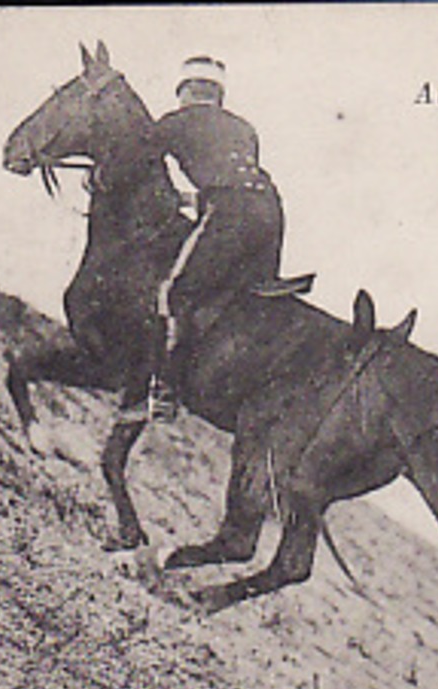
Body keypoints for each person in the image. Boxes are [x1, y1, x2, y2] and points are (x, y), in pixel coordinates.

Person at [147, 55, 285, 420]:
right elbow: (233, 180)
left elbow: (137, 159)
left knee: (178, 291)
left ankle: (167, 390)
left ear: (186, 91)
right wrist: (194, 199)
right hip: (271, 211)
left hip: (230, 212)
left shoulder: (175, 122)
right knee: (244, 294)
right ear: (218, 95)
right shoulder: (244, 128)